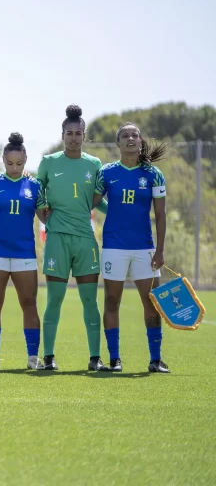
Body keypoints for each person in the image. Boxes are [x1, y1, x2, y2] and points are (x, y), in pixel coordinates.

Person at [37, 105, 109, 371]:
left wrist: (118, 215)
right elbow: (37, 192)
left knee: (90, 300)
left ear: (84, 135)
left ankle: (94, 358)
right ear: (63, 134)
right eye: (70, 133)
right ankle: (49, 357)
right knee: (54, 299)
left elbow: (97, 201)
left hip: (85, 239)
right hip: (57, 238)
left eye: (79, 133)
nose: (74, 138)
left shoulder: (94, 164)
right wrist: (43, 213)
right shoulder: (49, 162)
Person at [94, 123, 169, 373]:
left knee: (151, 304)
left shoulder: (153, 174)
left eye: (134, 135)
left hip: (144, 249)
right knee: (112, 301)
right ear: (118, 143)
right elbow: (90, 202)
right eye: (125, 135)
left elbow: (160, 214)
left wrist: (159, 250)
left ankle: (155, 360)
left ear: (140, 141)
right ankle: (115, 360)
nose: (130, 139)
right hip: (114, 247)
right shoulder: (106, 172)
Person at [0, 133, 49, 370]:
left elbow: (44, 216)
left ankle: (32, 358)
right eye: (9, 163)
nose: (14, 168)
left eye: (19, 163)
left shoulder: (35, 185)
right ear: (3, 160)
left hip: (24, 253)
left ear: (26, 159)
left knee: (29, 303)